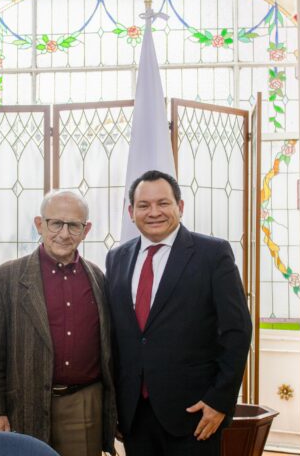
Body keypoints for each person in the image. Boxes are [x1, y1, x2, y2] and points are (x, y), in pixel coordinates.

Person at [105, 170, 252, 456]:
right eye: (144, 205)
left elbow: (237, 332)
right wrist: (114, 407)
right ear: (131, 212)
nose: (154, 212)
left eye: (163, 203)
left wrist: (220, 400)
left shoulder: (213, 254)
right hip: (134, 415)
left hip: (195, 413)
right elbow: (117, 336)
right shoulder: (117, 258)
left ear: (180, 206)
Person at [0, 190, 116, 456]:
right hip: (24, 405)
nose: (64, 234)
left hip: (83, 406)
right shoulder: (4, 279)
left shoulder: (98, 278)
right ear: (39, 224)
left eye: (73, 225)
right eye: (56, 223)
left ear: (86, 230)